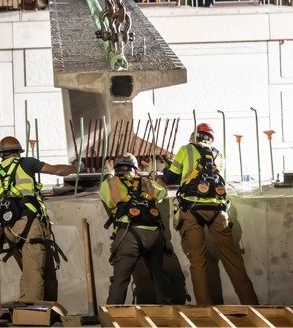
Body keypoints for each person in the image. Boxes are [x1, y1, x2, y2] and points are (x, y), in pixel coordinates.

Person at [162, 122, 259, 306]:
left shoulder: (186, 150)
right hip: (218, 211)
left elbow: (170, 178)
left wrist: (165, 171)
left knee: (198, 261)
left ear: (194, 136)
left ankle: (204, 313)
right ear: (210, 139)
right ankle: (253, 306)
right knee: (233, 259)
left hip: (191, 209)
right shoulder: (219, 155)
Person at [0, 135, 77, 302]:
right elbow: (57, 170)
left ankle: (28, 310)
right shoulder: (26, 163)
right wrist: (76, 168)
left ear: (1, 154)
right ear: (18, 152)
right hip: (28, 225)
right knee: (35, 273)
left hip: (9, 228)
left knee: (29, 272)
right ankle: (33, 316)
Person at [99, 152, 175, 304]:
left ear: (117, 167)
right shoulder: (147, 182)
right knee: (158, 274)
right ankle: (167, 315)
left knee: (120, 280)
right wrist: (155, 173)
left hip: (128, 234)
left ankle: (113, 318)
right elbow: (163, 191)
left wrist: (109, 174)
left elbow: (107, 196)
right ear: (135, 168)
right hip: (154, 234)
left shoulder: (110, 184)